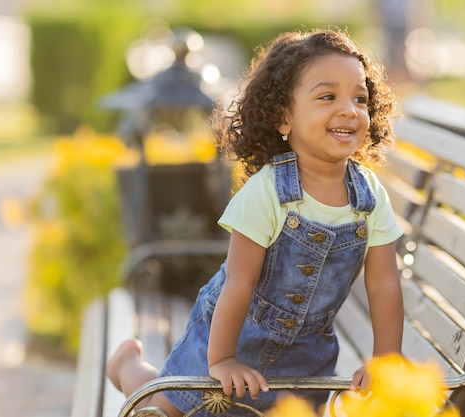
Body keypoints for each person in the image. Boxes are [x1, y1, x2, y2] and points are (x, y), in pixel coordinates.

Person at [107, 28, 404, 417]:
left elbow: (383, 281)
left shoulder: (368, 197)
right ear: (284, 118)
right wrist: (222, 360)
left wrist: (385, 359)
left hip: (307, 356)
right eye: (328, 96)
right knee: (164, 413)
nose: (349, 109)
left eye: (360, 98)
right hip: (230, 335)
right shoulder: (268, 192)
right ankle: (128, 368)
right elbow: (239, 280)